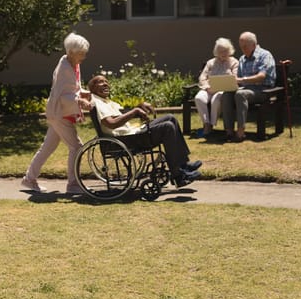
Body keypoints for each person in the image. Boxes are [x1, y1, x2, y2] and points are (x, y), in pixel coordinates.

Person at [88, 75, 202, 187]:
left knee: (170, 117)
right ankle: (178, 175)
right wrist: (135, 112)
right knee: (167, 127)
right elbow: (111, 123)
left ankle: (183, 165)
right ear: (92, 87)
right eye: (100, 82)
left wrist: (139, 107)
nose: (105, 84)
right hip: (123, 141)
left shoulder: (106, 101)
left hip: (130, 134)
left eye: (106, 81)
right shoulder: (97, 102)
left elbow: (123, 114)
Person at [21, 32, 92, 194]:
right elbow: (63, 95)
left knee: (47, 147)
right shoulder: (65, 68)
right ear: (71, 52)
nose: (84, 57)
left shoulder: (72, 63)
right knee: (76, 146)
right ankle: (73, 184)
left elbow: (72, 89)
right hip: (60, 113)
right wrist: (80, 100)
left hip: (58, 113)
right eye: (81, 53)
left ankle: (29, 179)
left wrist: (83, 92)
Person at [222, 31, 276, 142]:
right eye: (241, 47)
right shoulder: (242, 58)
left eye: (245, 46)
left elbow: (261, 76)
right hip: (246, 89)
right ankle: (229, 132)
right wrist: (230, 81)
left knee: (240, 94)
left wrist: (242, 80)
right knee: (226, 94)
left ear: (254, 45)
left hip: (263, 90)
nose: (243, 49)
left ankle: (241, 132)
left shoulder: (265, 55)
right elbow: (239, 79)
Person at [194, 37, 239, 136]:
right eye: (220, 51)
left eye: (225, 51)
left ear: (230, 50)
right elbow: (202, 77)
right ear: (216, 51)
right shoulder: (210, 62)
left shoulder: (234, 62)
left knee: (216, 99)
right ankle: (206, 123)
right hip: (209, 89)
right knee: (199, 98)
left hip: (224, 90)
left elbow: (235, 78)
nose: (223, 53)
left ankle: (211, 125)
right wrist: (206, 87)